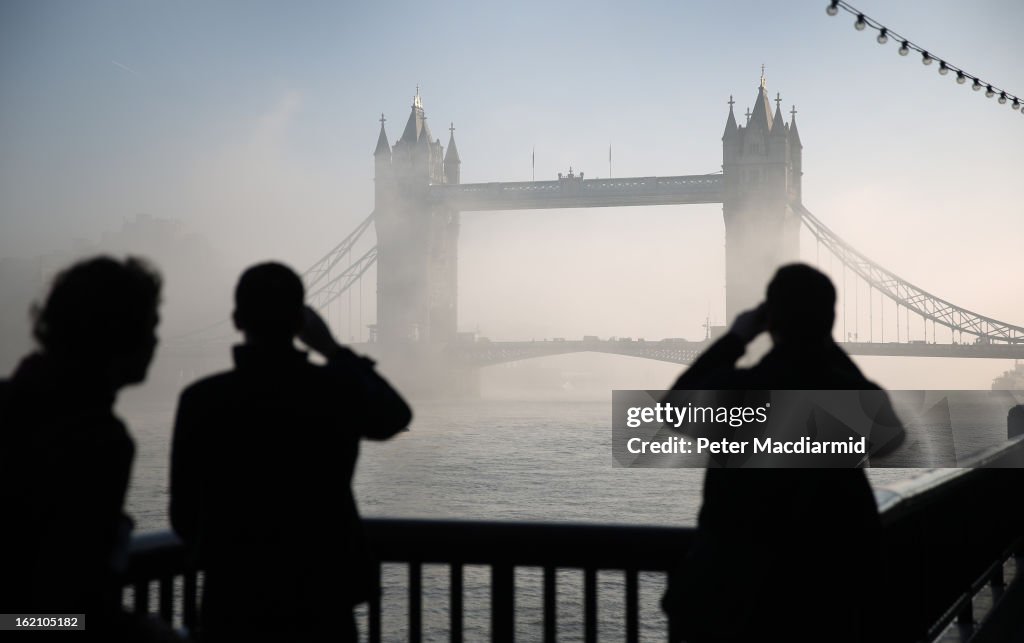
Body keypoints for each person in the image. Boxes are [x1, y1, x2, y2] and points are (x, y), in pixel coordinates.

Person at [169, 262, 412, 642]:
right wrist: (333, 350)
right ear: (300, 321)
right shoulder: (332, 390)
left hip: (233, 602)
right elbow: (396, 416)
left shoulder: (202, 400)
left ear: (236, 319)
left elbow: (183, 516)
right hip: (322, 602)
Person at [661, 263, 903, 642]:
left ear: (770, 321)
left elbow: (673, 406)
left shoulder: (739, 393)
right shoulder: (846, 397)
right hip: (825, 603)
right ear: (829, 321)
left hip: (733, 605)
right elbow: (891, 439)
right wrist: (823, 342)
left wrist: (736, 338)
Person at [0, 256, 175, 641]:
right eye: (150, 325)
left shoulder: (13, 401)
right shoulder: (97, 441)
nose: (156, 340)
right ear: (117, 333)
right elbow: (60, 614)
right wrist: (143, 632)